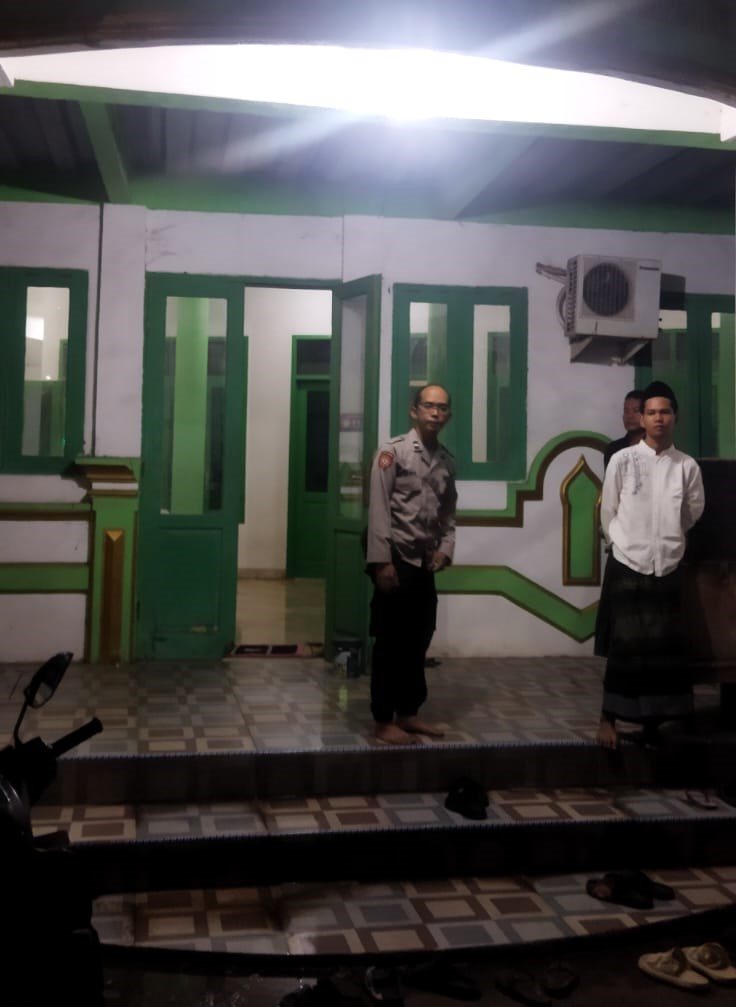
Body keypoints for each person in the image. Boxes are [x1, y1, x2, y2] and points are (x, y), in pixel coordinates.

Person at [596, 381, 705, 749]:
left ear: (675, 417)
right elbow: (608, 508)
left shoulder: (686, 465)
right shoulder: (623, 460)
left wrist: (669, 540)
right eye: (652, 412)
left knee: (665, 648)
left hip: (668, 563)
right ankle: (609, 719)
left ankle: (655, 723)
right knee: (625, 646)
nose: (659, 418)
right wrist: (619, 542)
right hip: (629, 561)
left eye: (665, 412)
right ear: (642, 419)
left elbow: (692, 511)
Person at [365, 384, 457, 745]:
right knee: (390, 641)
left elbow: (448, 512)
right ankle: (383, 718)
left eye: (442, 408)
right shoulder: (393, 452)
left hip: (424, 563)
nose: (436, 413)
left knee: (420, 637)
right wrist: (381, 562)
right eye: (429, 406)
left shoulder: (446, 460)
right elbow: (378, 507)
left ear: (448, 415)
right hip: (396, 559)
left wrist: (446, 548)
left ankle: (408, 712)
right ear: (414, 411)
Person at [603, 389, 646, 470]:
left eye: (636, 411)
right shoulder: (614, 449)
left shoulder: (656, 448)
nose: (629, 416)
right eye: (626, 411)